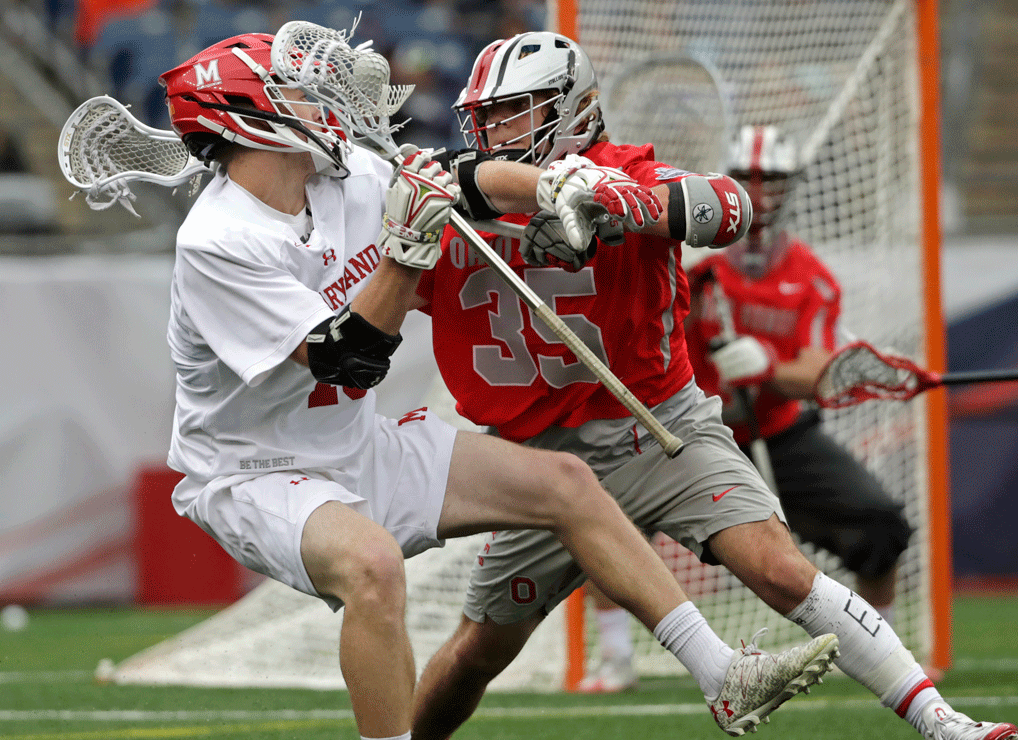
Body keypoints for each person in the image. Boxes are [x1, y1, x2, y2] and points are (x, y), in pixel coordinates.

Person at [155, 29, 836, 740]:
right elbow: (348, 359)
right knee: (372, 567)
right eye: (294, 88)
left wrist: (555, 185)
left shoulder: (344, 173)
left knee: (569, 485)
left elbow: (466, 177)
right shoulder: (218, 242)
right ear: (248, 118)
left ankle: (721, 673)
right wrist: (406, 252)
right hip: (254, 473)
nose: (322, 96)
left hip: (352, 443)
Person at [409, 31, 1018, 740]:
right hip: (536, 459)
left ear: (570, 108)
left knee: (783, 573)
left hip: (660, 431)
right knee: (477, 652)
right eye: (485, 115)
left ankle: (945, 723)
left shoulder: (620, 170)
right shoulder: (446, 201)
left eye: (514, 110)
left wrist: (618, 204)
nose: (492, 131)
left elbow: (729, 207)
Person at [574, 123, 915, 694]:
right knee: (599, 520)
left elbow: (817, 374)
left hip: (779, 431)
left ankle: (887, 648)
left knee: (881, 522)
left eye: (773, 179)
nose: (761, 192)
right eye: (751, 179)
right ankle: (615, 658)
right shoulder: (693, 263)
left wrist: (766, 370)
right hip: (688, 431)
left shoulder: (811, 277)